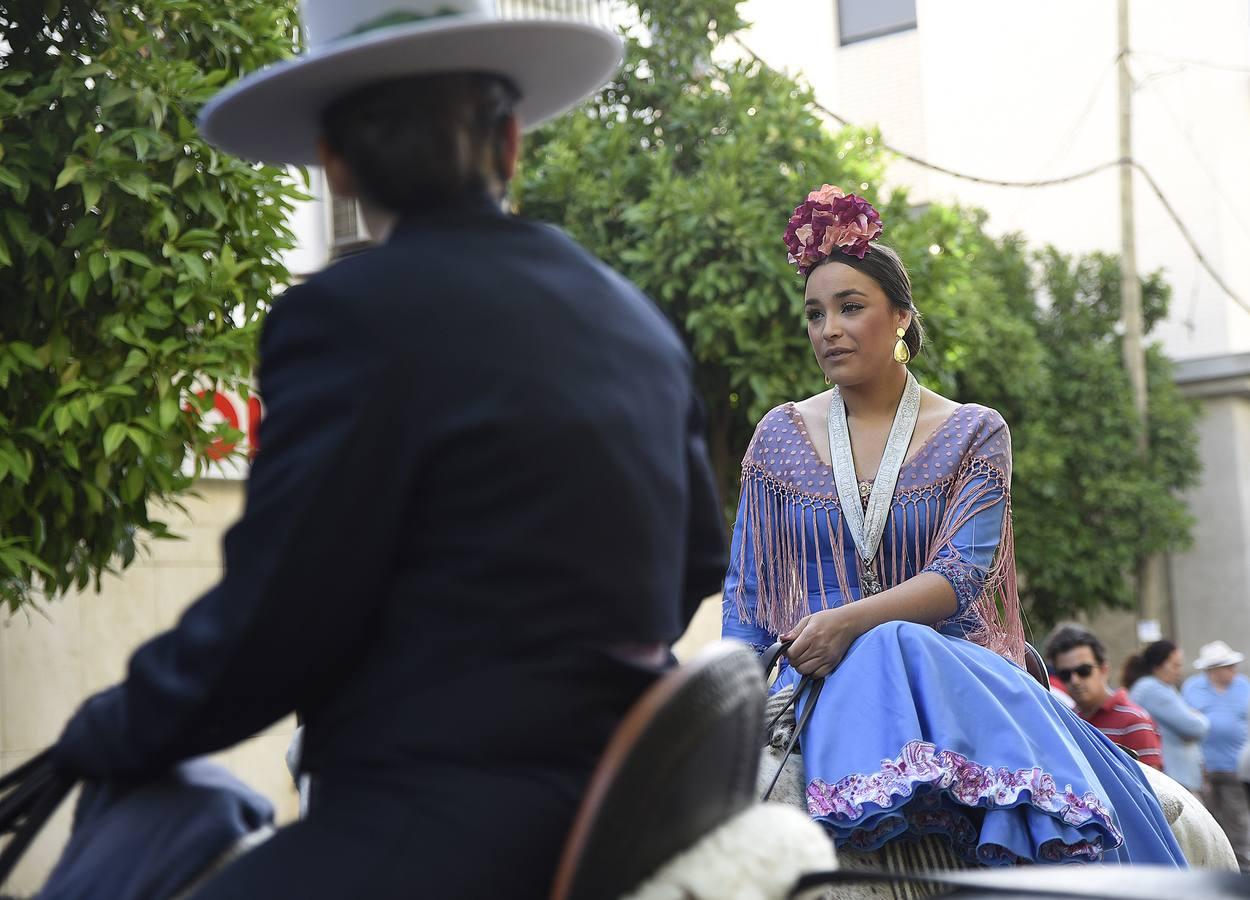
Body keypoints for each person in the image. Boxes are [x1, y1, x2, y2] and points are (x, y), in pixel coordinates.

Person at [45, 2, 727, 898]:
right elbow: (699, 558)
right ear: (511, 142)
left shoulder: (341, 316)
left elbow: (277, 619)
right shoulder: (631, 317)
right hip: (632, 817)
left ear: (335, 163)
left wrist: (107, 727)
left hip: (433, 833)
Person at [722, 183, 1185, 866]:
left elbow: (963, 572)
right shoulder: (779, 436)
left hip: (947, 670)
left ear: (902, 319)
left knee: (894, 643)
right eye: (815, 313)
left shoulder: (973, 430)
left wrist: (850, 623)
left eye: (851, 308)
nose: (829, 329)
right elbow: (746, 593)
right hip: (805, 683)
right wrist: (731, 696)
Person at [1044, 625, 1164, 771]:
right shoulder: (1067, 721)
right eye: (1065, 674)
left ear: (1104, 670)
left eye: (1084, 671)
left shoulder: (1134, 721)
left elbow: (1151, 787)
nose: (1074, 680)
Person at [1183, 640, 1250, 871]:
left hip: (1235, 768)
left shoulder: (1244, 686)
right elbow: (1186, 721)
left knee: (1238, 820)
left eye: (1233, 666)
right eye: (1228, 666)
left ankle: (1242, 867)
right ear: (1213, 670)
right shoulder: (1193, 687)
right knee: (1207, 821)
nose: (1234, 670)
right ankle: (1215, 868)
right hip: (1204, 769)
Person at [1124, 639, 1208, 793]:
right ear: (1158, 665)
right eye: (1175, 665)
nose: (1179, 671)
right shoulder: (1152, 689)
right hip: (1175, 779)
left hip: (1177, 777)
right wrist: (1200, 717)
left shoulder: (1160, 688)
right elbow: (1195, 727)